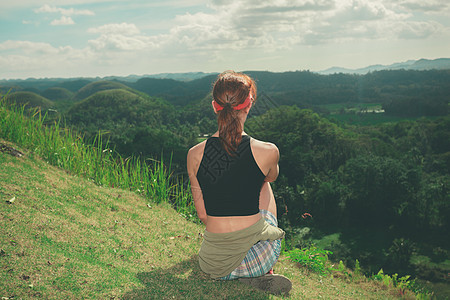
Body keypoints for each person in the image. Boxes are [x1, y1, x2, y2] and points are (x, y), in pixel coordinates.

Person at [186, 70, 292, 295]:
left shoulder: (194, 155)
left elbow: (203, 216)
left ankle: (240, 278)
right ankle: (259, 272)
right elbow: (270, 177)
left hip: (212, 265)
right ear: (249, 103)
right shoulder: (268, 151)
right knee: (264, 183)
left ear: (215, 106)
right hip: (256, 261)